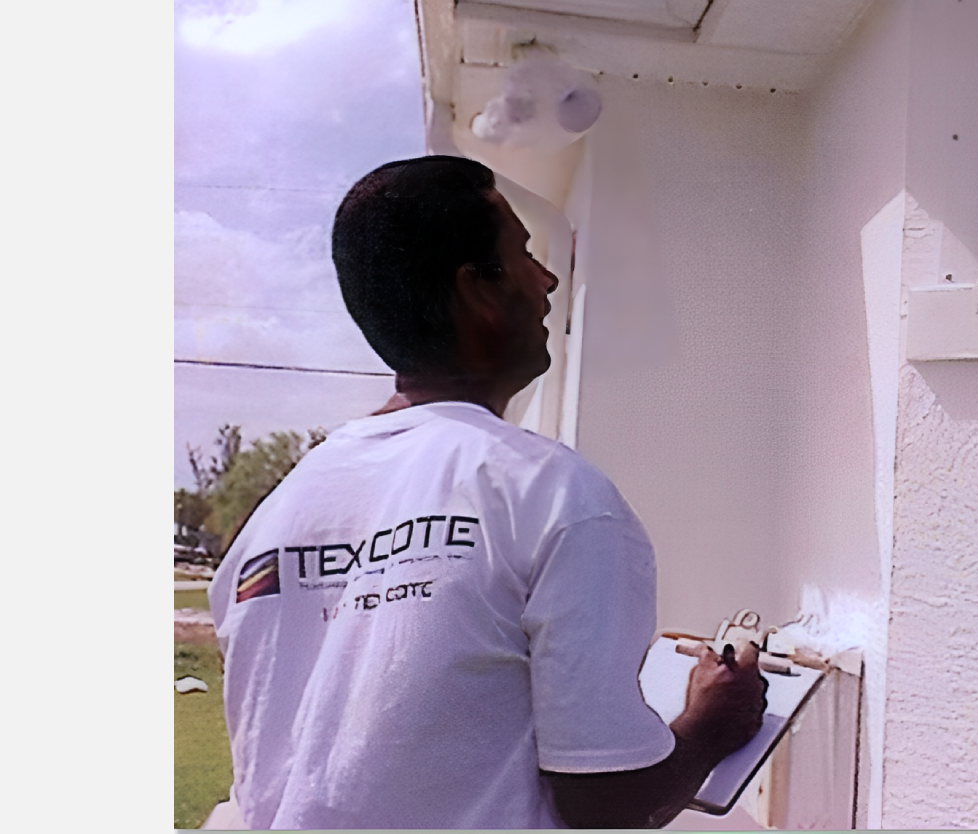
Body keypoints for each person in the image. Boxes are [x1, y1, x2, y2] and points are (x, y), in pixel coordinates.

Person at [208, 155, 766, 829]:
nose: (549, 278)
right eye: (525, 255)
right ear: (477, 288)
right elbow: (604, 796)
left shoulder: (269, 518)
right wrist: (713, 722)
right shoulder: (554, 495)